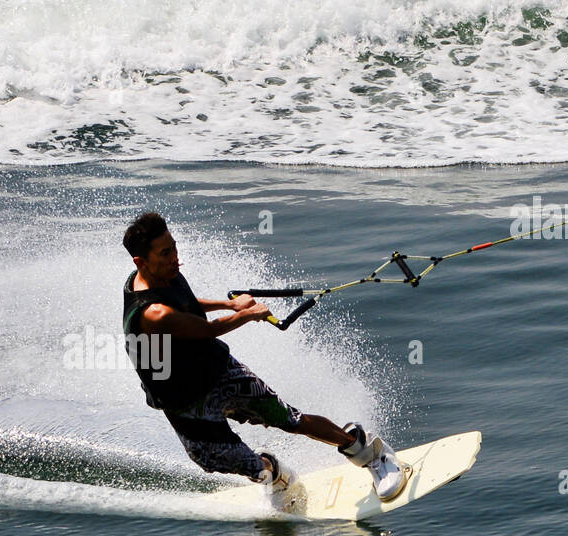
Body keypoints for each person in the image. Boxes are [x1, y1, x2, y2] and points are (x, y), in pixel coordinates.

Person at [121, 211, 405, 502]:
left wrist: (228, 304)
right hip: (184, 401)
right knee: (217, 460)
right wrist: (246, 315)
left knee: (290, 419)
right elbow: (205, 330)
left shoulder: (165, 273)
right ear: (140, 262)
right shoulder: (152, 313)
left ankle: (371, 453)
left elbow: (187, 304)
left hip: (219, 372)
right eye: (166, 253)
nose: (175, 257)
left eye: (174, 247)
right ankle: (274, 472)